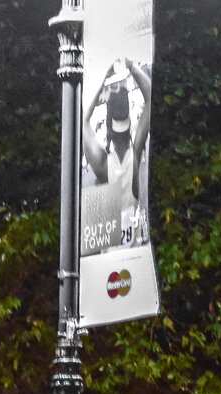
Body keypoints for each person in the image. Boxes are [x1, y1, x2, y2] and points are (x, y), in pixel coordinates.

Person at [80, 57, 152, 258]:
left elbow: (83, 119)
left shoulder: (102, 165)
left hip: (109, 263)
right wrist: (131, 66)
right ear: (129, 126)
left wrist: (105, 74)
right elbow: (150, 97)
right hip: (134, 259)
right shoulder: (135, 159)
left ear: (108, 129)